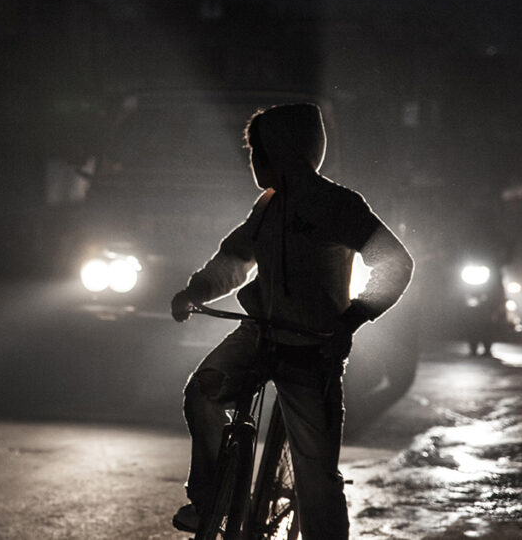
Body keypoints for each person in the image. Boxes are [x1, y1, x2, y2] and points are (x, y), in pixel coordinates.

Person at [170, 103, 413, 539]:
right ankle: (212, 502)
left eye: (257, 150)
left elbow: (394, 262)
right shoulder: (267, 206)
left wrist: (355, 315)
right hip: (258, 335)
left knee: (316, 482)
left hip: (311, 351)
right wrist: (194, 292)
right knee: (201, 393)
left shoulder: (339, 205)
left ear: (283, 152)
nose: (252, 161)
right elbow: (235, 260)